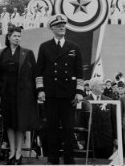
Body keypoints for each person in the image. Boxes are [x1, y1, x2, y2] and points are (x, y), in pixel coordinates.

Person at [35, 14, 84, 165]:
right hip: (51, 94)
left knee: (69, 128)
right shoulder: (44, 47)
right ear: (52, 28)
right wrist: (40, 90)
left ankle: (69, 160)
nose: (62, 27)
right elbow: (39, 71)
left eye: (64, 25)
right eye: (58, 26)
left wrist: (79, 92)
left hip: (68, 95)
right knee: (52, 128)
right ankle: (53, 159)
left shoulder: (74, 47)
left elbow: (79, 72)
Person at [0, 25, 39, 165]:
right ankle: (11, 152)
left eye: (19, 36)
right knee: (9, 123)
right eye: (15, 36)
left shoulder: (27, 53)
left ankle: (18, 153)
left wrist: (36, 93)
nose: (17, 38)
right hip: (6, 94)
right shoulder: (1, 53)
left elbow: (35, 74)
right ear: (8, 37)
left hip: (22, 95)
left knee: (20, 123)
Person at [83, 79, 117, 159]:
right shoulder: (84, 101)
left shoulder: (109, 101)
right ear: (93, 87)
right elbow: (81, 120)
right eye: (101, 85)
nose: (103, 86)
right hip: (91, 140)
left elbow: (114, 120)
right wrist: (81, 139)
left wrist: (116, 137)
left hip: (107, 140)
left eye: (103, 85)